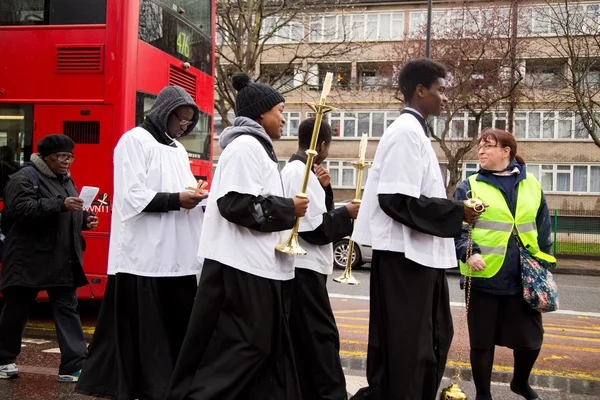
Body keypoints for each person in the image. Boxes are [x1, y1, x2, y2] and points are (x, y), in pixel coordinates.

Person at [165, 72, 309, 400]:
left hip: (255, 266)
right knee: (246, 348)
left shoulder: (256, 148)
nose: (284, 118)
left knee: (260, 349)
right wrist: (288, 208)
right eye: (280, 110)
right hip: (242, 267)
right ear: (261, 113)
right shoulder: (245, 146)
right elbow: (234, 203)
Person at [349, 58, 483, 400]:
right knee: (408, 350)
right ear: (420, 91)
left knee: (432, 340)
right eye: (440, 90)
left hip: (420, 257)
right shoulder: (405, 134)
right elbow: (394, 198)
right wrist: (457, 213)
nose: (445, 97)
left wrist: (453, 214)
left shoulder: (415, 132)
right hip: (405, 259)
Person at [75, 86, 207, 400]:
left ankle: (170, 383)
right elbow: (130, 197)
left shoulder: (176, 149)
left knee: (174, 328)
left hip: (176, 254)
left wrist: (196, 195)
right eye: (182, 119)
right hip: (142, 257)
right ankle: (146, 386)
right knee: (147, 333)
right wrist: (178, 199)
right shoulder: (134, 141)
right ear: (165, 112)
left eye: (190, 122)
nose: (185, 127)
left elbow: (181, 188)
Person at [454, 129, 553, 400]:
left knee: (531, 340)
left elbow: (543, 226)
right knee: (482, 342)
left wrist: (544, 262)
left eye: (488, 146)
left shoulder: (531, 182)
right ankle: (483, 395)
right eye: (479, 146)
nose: (481, 151)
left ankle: (520, 382)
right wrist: (467, 252)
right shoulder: (470, 186)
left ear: (506, 151)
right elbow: (456, 228)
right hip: (484, 272)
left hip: (524, 275)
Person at [0, 134, 98, 382]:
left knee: (67, 308)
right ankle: (3, 360)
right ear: (45, 157)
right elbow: (21, 209)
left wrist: (84, 219)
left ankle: (74, 365)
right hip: (27, 258)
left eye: (70, 157)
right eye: (61, 157)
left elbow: (64, 210)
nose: (66, 162)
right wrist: (61, 205)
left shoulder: (65, 178)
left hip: (61, 258)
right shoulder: (24, 177)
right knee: (16, 310)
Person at [281, 118, 359, 400]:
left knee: (309, 341)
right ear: (323, 145)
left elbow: (314, 215)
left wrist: (325, 190)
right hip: (303, 269)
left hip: (307, 268)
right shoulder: (297, 172)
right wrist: (347, 213)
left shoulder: (304, 172)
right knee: (321, 339)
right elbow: (312, 229)